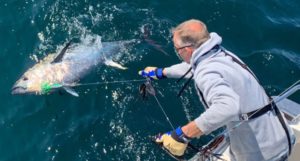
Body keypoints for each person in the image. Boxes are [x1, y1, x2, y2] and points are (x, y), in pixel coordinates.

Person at [138, 19, 294, 161]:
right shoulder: (218, 53)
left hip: (263, 154)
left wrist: (181, 135)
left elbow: (227, 108)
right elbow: (195, 67)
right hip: (282, 136)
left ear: (188, 49)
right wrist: (161, 72)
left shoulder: (207, 71)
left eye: (177, 49)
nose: (177, 52)